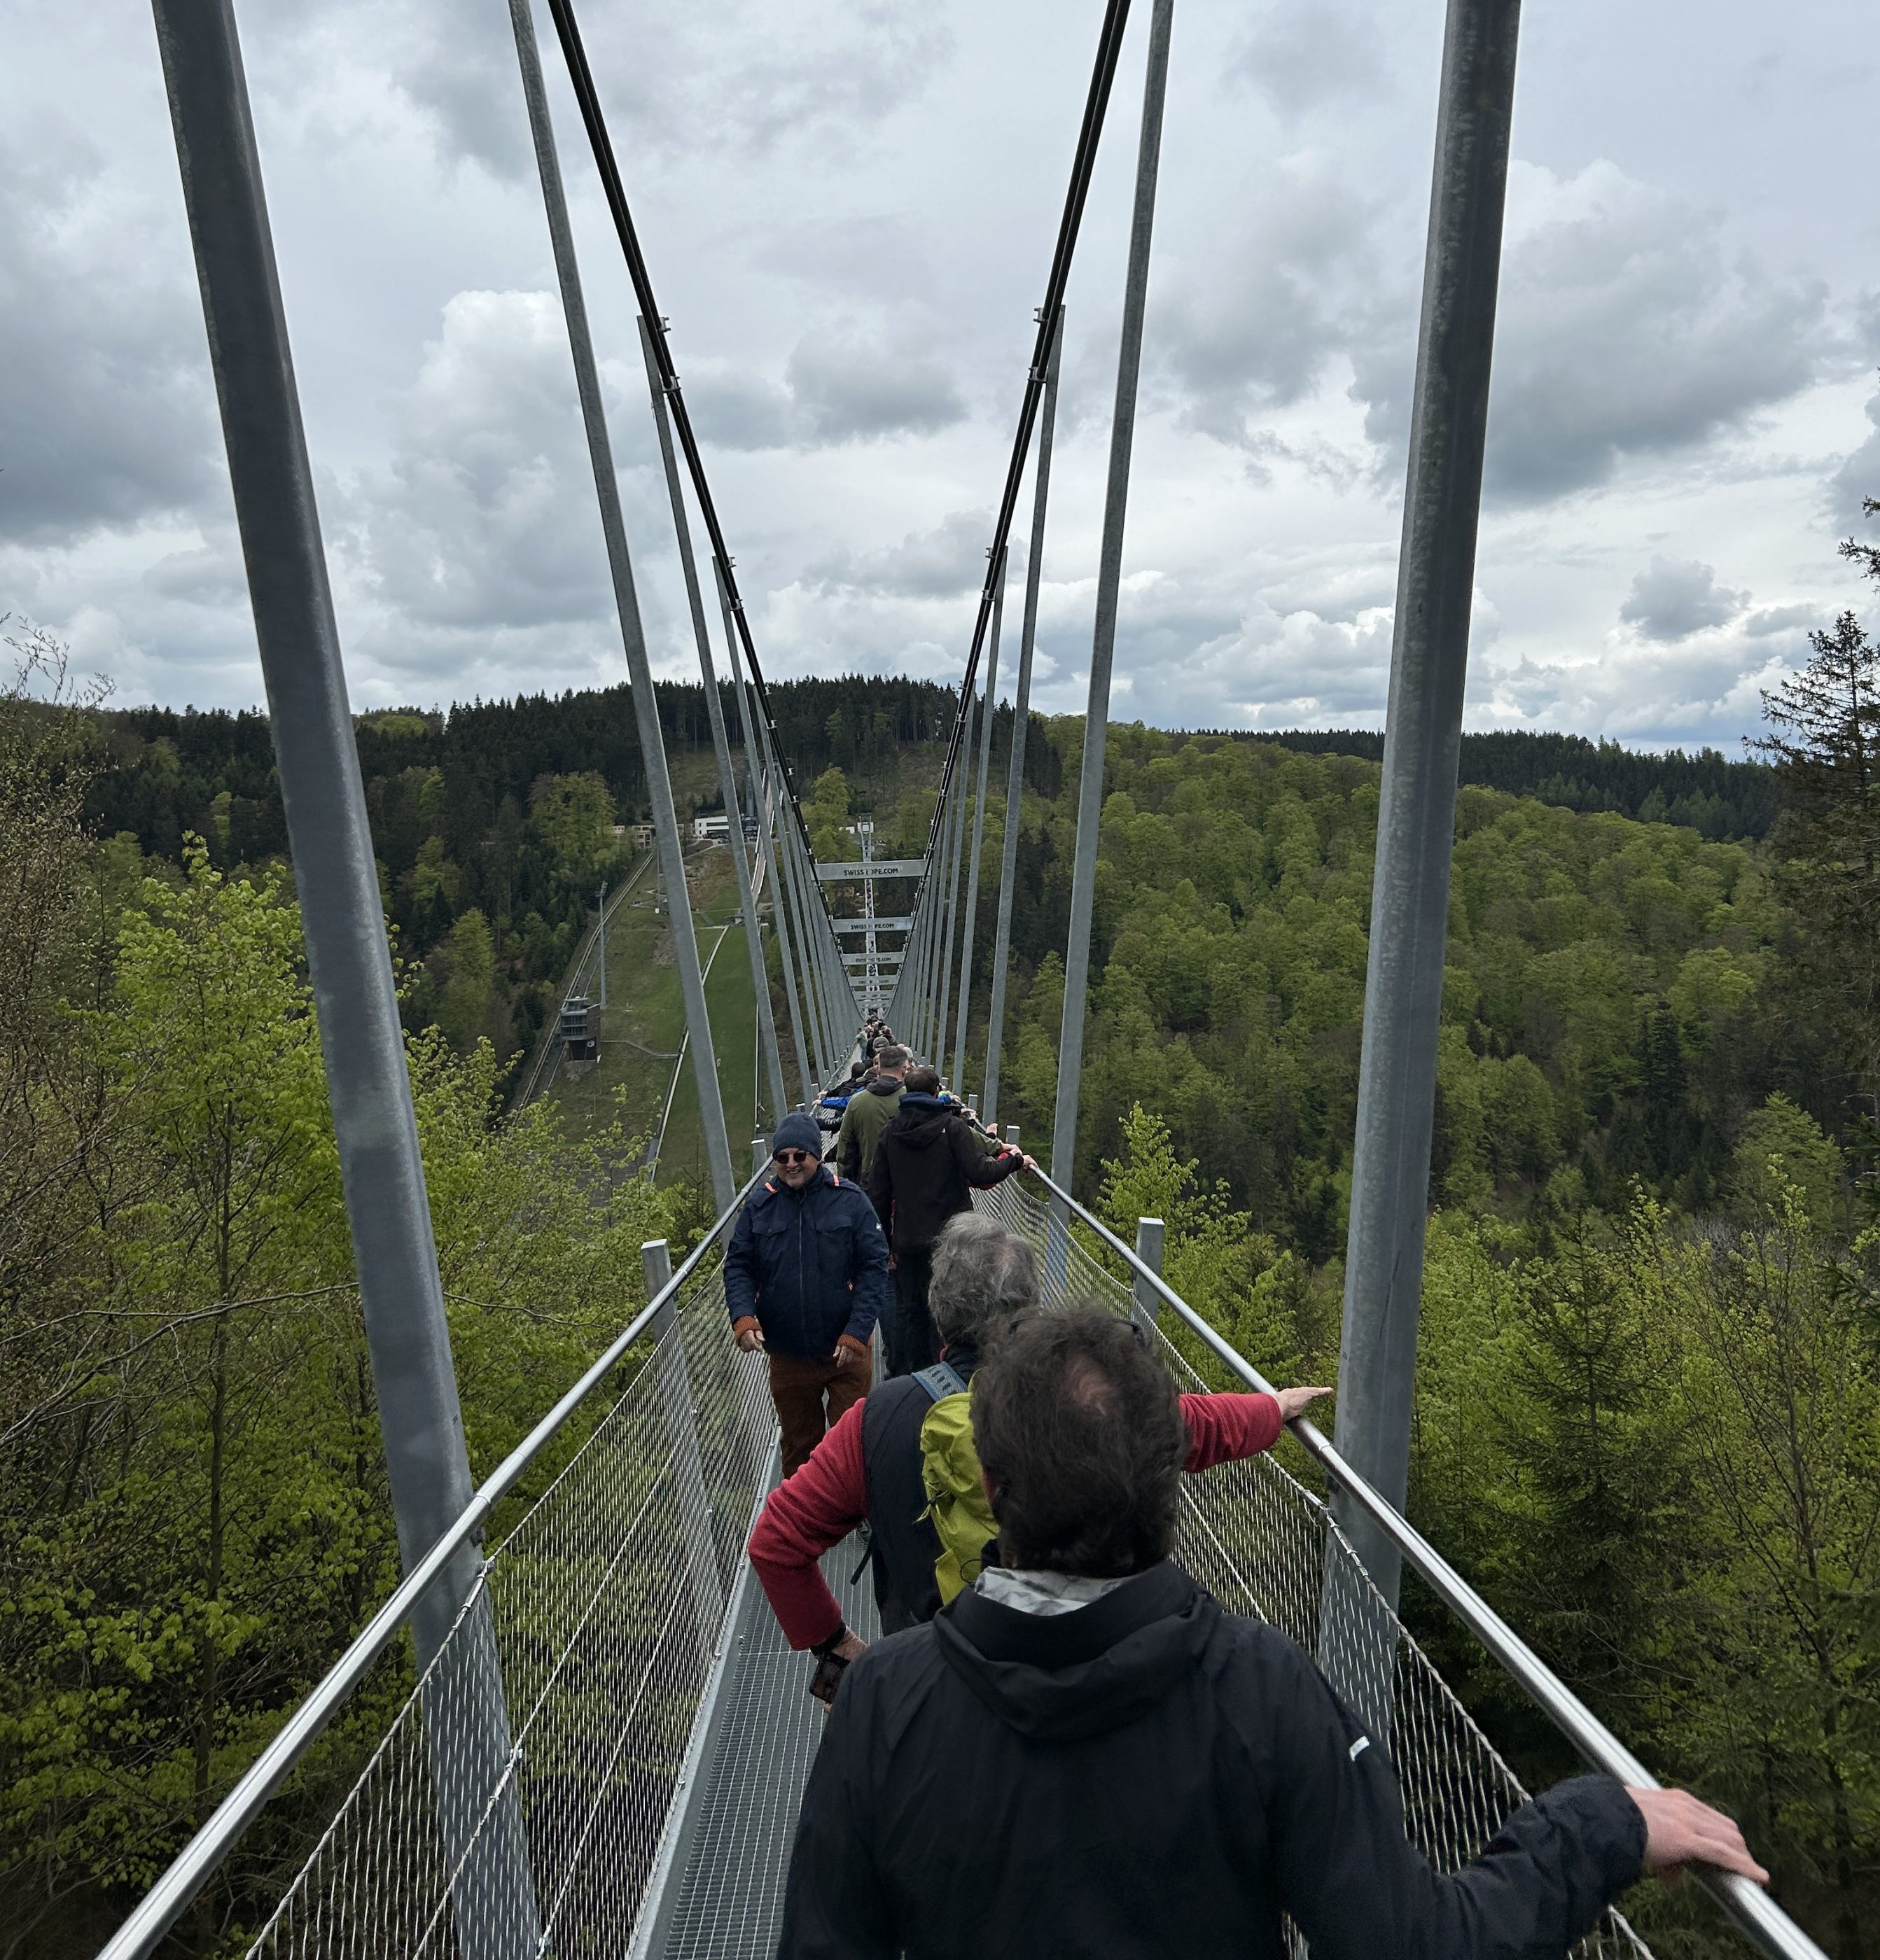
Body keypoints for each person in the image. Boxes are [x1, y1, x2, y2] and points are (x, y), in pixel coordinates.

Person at [779, 1307, 1768, 1960]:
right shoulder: (1259, 1693)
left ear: (993, 1488)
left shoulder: (886, 1702)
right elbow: (1410, 1945)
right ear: (1168, 1479)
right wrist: (1600, 1826)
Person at [748, 1214, 1330, 1653]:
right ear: (1030, 1301)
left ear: (937, 1309)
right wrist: (1271, 1410)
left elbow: (776, 1543)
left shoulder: (877, 1418)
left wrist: (834, 1648)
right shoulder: (1088, 1398)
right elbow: (1196, 1426)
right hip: (1082, 1661)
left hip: (928, 1670)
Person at [723, 1113, 889, 1477]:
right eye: (782, 1158)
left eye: (800, 1155)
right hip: (788, 1356)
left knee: (853, 1443)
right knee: (799, 1446)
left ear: (817, 1155)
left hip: (845, 1351)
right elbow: (738, 1265)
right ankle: (803, 1524)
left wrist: (857, 1332)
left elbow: (874, 1267)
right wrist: (742, 1316)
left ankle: (857, 1514)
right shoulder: (758, 1206)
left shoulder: (850, 1200)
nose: (792, 1164)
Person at [865, 1066, 1028, 1375]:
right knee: (949, 1311)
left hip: (908, 1240)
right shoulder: (952, 1128)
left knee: (911, 1312)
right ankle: (948, 1378)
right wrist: (1015, 1161)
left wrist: (886, 1243)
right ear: (936, 1091)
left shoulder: (890, 1133)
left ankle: (909, 1380)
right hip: (954, 1243)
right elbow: (979, 1173)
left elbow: (879, 1194)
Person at [835, 1042, 909, 1182]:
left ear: (878, 1069)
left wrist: (846, 1186)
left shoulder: (857, 1102)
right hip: (905, 1181)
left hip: (870, 1179)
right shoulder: (911, 1099)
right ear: (904, 1070)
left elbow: (845, 1148)